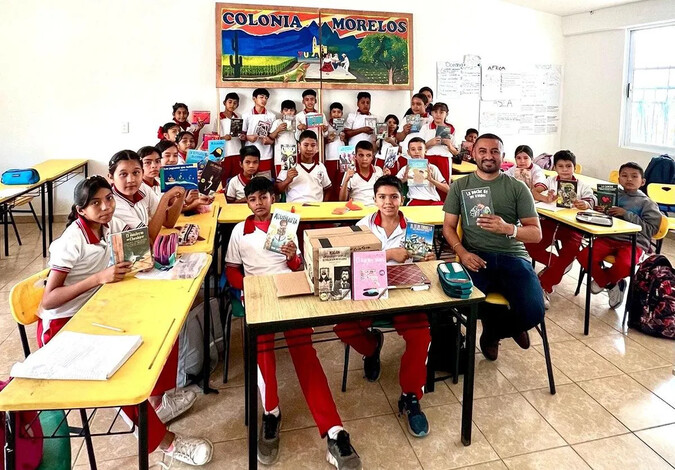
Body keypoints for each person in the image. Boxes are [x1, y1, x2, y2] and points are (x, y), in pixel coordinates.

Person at [38, 176, 212, 466]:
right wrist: (99, 277)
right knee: (118, 377)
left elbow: (144, 242)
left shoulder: (110, 225)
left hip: (99, 307)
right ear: (81, 210)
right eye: (95, 203)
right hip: (65, 326)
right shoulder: (71, 240)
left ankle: (157, 401)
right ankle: (166, 443)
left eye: (108, 199)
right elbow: (48, 299)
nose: (105, 207)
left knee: (163, 324)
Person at [225, 177, 362, 469]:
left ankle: (334, 431)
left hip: (288, 288)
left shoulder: (287, 225)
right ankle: (271, 413)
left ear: (273, 198)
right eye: (252, 199)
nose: (259, 203)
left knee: (305, 353)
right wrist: (246, 290)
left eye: (264, 197)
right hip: (258, 294)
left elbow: (299, 265)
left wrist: (292, 258)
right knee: (263, 353)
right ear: (247, 203)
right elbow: (232, 270)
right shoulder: (240, 231)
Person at [334, 175, 433, 437]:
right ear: (374, 199)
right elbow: (345, 259)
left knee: (421, 334)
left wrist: (428, 260)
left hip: (404, 294)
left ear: (403, 198)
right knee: (340, 326)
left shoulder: (414, 228)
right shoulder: (362, 225)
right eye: (382, 197)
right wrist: (388, 255)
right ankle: (371, 347)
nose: (388, 202)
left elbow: (424, 266)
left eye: (394, 196)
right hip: (368, 291)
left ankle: (411, 396)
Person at [442, 133, 544, 361]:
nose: (489, 156)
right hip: (475, 257)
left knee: (534, 311)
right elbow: (448, 227)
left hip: (513, 258)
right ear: (473, 155)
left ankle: (493, 332)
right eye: (483, 151)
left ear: (503, 156)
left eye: (495, 151)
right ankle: (496, 324)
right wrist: (462, 252)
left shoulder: (518, 188)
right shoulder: (460, 186)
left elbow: (536, 234)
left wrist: (509, 229)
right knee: (458, 305)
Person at [577, 162, 661, 308]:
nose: (629, 179)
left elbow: (650, 230)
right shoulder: (612, 195)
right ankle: (612, 284)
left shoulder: (647, 203)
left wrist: (626, 214)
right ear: (618, 179)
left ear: (642, 181)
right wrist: (599, 211)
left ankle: (605, 281)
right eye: (624, 176)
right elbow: (600, 216)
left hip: (633, 242)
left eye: (634, 176)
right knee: (584, 255)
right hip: (608, 237)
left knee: (626, 264)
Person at [527, 150, 596, 308]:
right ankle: (558, 265)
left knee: (571, 250)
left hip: (572, 227)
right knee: (530, 244)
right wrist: (545, 197)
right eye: (561, 166)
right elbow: (534, 192)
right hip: (549, 222)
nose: (565, 169)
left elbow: (591, 201)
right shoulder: (550, 181)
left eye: (568, 166)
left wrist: (584, 204)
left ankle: (544, 285)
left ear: (574, 167)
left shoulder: (582, 186)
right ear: (555, 168)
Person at [108, 150, 185, 241]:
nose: (131, 180)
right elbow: (147, 239)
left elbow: (168, 222)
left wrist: (182, 192)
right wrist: (166, 198)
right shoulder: (113, 204)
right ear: (111, 177)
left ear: (142, 173)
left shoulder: (143, 188)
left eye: (136, 173)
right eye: (123, 174)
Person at [276, 130, 331, 202]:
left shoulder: (320, 166)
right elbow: (277, 190)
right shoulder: (290, 164)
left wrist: (323, 205)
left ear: (317, 146)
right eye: (306, 145)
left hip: (316, 208)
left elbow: (328, 189)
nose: (309, 149)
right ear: (299, 146)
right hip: (294, 208)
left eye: (313, 145)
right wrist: (287, 180)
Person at [396, 138, 448, 206]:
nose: (417, 152)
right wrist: (404, 179)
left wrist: (431, 180)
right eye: (413, 149)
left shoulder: (432, 168)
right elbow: (393, 184)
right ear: (408, 152)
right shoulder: (406, 168)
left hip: (433, 200)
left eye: (420, 149)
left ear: (425, 151)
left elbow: (447, 189)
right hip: (414, 200)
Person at [419, 103, 458, 182]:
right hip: (427, 159)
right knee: (427, 184)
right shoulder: (426, 128)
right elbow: (418, 147)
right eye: (435, 112)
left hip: (444, 160)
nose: (438, 115)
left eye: (441, 112)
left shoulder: (451, 128)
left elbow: (456, 152)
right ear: (432, 113)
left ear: (446, 114)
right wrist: (429, 143)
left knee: (443, 185)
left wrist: (449, 145)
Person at [243, 88, 276, 179]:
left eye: (266, 98)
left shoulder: (271, 116)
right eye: (261, 97)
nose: (264, 100)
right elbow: (240, 136)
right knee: (249, 181)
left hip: (266, 154)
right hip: (249, 154)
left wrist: (269, 141)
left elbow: (273, 136)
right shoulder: (246, 115)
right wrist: (247, 137)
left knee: (265, 181)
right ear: (254, 99)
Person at [219, 92, 245, 182]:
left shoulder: (239, 117)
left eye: (235, 103)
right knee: (224, 178)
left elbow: (241, 134)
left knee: (236, 178)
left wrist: (242, 136)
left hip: (237, 152)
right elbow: (212, 138)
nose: (232, 105)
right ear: (224, 103)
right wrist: (223, 138)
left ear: (237, 105)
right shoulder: (218, 118)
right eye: (230, 102)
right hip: (224, 154)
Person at [270, 99, 299, 175]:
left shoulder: (297, 122)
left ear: (295, 112)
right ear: (281, 112)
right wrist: (278, 130)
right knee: (280, 177)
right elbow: (271, 136)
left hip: (293, 154)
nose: (289, 112)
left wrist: (300, 128)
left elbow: (300, 138)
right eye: (286, 110)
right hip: (280, 155)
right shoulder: (277, 122)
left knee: (293, 177)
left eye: (291, 110)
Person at [325, 102, 347, 200]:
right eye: (334, 112)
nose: (336, 114)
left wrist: (344, 138)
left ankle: (341, 201)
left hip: (343, 157)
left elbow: (347, 140)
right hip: (330, 157)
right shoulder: (326, 126)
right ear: (330, 114)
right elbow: (322, 141)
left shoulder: (344, 125)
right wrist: (328, 139)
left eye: (339, 112)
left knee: (342, 182)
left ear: (342, 114)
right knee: (331, 182)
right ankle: (330, 203)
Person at [399, 93, 431, 158]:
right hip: (405, 155)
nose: (415, 106)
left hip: (421, 157)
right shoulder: (406, 119)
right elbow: (398, 138)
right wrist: (404, 132)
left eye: (418, 104)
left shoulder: (431, 120)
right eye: (413, 104)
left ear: (426, 105)